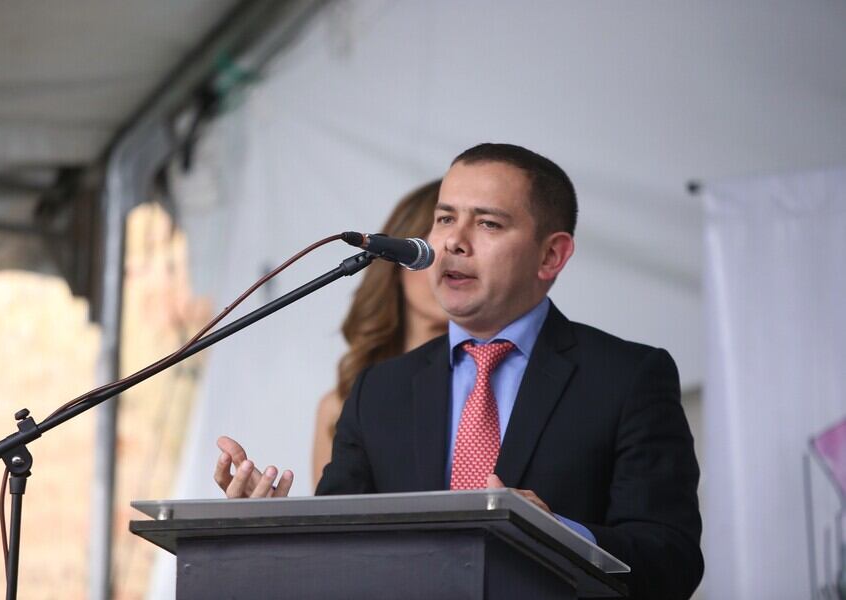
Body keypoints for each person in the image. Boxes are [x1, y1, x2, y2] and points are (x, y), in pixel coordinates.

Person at [215, 143, 703, 600]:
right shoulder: (378, 392)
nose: (453, 242)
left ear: (551, 255)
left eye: (488, 224)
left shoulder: (628, 377)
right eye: (444, 218)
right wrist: (267, 529)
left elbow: (672, 562)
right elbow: (337, 560)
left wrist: (558, 536)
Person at [311, 180, 448, 487]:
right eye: (431, 251)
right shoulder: (337, 405)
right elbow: (330, 528)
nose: (449, 267)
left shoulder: (484, 391)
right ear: (399, 258)